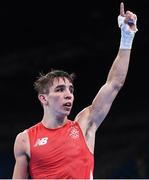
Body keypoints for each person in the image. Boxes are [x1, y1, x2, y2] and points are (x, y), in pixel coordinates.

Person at [12, 2, 138, 179]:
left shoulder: (84, 125)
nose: (68, 94)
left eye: (70, 89)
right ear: (44, 98)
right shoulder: (25, 139)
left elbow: (114, 83)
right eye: (60, 89)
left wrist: (127, 37)